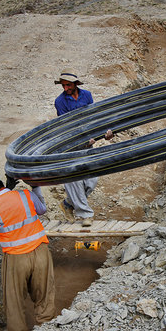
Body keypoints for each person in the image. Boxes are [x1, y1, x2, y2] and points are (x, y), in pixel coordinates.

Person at [0, 172, 55, 331]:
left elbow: (3, 206)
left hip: (15, 258)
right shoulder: (26, 195)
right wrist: (33, 186)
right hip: (40, 251)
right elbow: (41, 209)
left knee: (14, 301)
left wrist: (7, 189)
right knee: (44, 294)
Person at [54, 68, 112, 227]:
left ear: (75, 84)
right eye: (63, 86)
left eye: (67, 85)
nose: (65, 88)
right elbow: (68, 126)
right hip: (70, 145)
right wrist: (84, 140)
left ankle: (68, 204)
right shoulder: (60, 102)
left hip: (88, 143)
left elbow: (92, 117)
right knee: (74, 180)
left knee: (91, 179)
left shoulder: (86, 95)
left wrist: (103, 131)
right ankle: (85, 215)